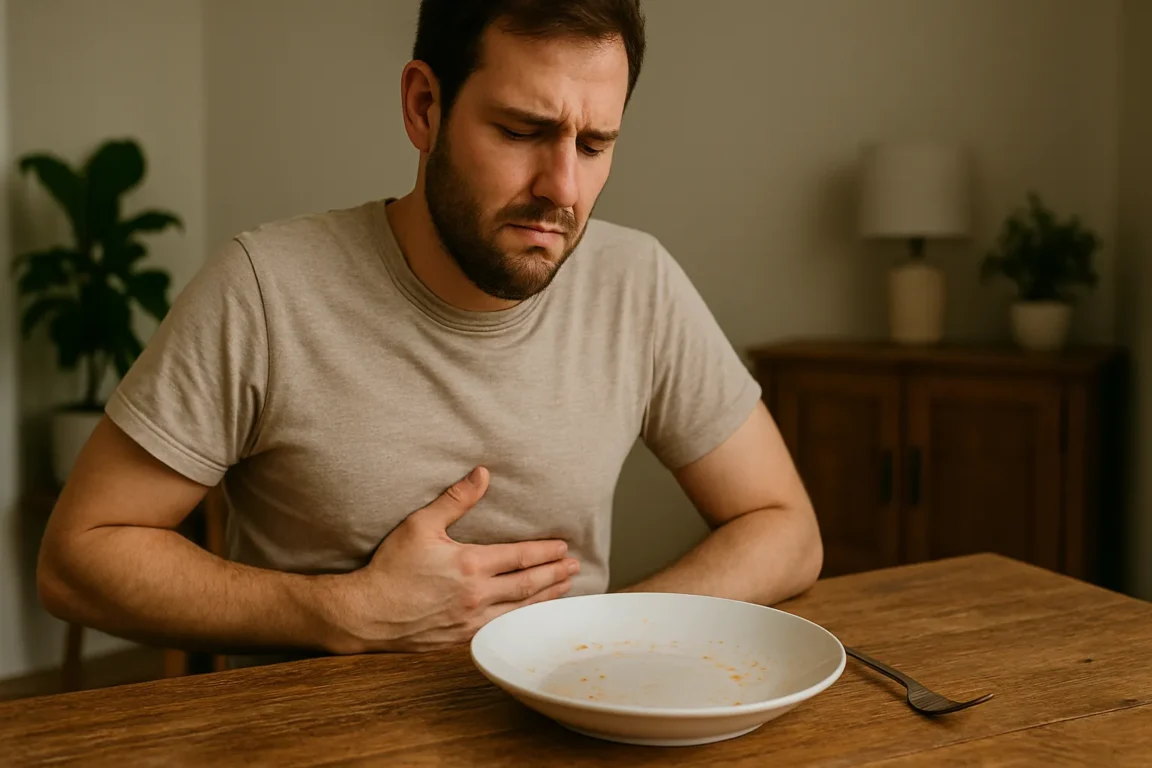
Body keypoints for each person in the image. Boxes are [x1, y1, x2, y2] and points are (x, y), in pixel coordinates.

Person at [36, 0, 822, 663]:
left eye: (593, 145)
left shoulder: (637, 282)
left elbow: (786, 530)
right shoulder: (264, 290)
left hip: (569, 725)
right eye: (521, 131)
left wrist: (605, 633)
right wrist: (344, 613)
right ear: (423, 107)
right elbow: (76, 560)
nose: (563, 189)